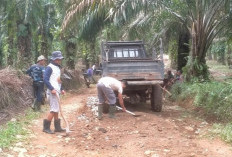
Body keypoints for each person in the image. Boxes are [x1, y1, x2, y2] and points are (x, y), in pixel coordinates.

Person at [43, 51, 65, 134]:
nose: (59, 61)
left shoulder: (58, 68)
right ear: (53, 59)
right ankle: (46, 127)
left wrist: (62, 88)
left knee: (56, 109)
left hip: (57, 91)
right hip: (52, 92)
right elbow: (45, 79)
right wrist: (51, 88)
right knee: (53, 110)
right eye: (57, 59)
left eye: (60, 59)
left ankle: (57, 127)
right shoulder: (49, 67)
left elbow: (58, 80)